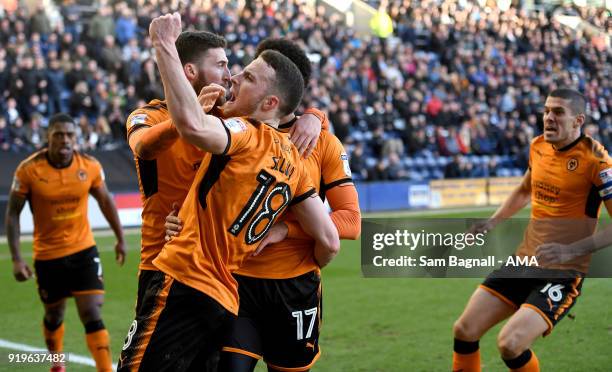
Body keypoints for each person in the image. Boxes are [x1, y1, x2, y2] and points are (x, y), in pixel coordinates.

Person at [118, 13, 339, 372]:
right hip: (225, 293)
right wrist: (315, 115)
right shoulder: (295, 165)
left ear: (269, 103)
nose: (231, 75)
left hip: (184, 275)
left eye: (244, 74)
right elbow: (329, 240)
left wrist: (162, 45)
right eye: (225, 65)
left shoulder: (240, 130)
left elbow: (192, 124)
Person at [165, 38, 361, 372]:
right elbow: (202, 189)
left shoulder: (322, 143)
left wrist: (286, 230)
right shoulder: (229, 125)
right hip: (235, 281)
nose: (239, 77)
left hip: (294, 287)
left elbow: (351, 222)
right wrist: (179, 219)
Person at [452, 88, 612, 372]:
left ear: (578, 120)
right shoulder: (537, 146)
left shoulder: (596, 160)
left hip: (563, 272)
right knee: (464, 329)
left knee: (510, 344)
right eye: (547, 111)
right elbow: (525, 189)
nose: (549, 118)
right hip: (524, 260)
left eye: (558, 112)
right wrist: (491, 222)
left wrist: (571, 250)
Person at [7, 113, 126, 372]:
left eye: (70, 134)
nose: (65, 140)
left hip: (84, 250)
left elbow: (105, 201)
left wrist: (120, 238)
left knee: (92, 313)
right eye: (59, 134)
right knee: (54, 315)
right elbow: (13, 214)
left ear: (77, 137)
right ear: (47, 137)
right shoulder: (29, 170)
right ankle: (57, 363)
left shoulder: (90, 166)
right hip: (48, 256)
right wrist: (16, 258)